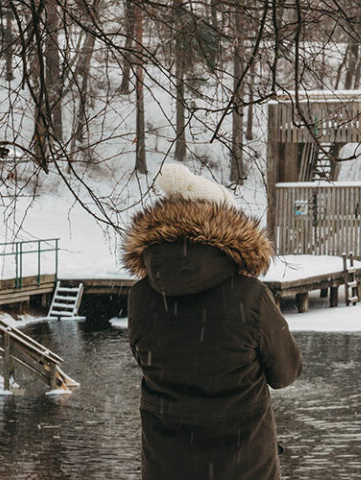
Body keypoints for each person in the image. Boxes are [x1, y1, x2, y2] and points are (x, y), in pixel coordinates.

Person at [123, 164, 303, 480]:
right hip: (245, 465)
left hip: (168, 465)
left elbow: (146, 360)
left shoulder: (141, 296)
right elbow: (285, 373)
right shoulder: (250, 296)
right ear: (228, 229)